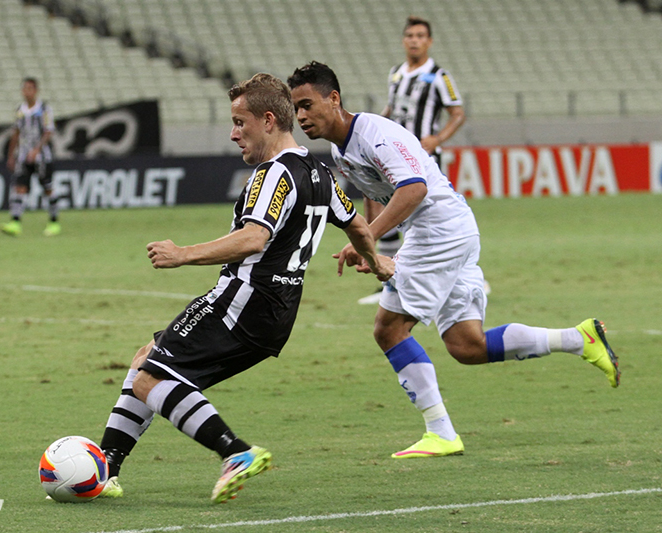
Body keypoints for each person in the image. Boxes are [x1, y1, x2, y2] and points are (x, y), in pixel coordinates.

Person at [287, 61, 619, 459]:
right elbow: (375, 192)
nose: (301, 116)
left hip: (437, 231)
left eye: (307, 104)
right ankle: (578, 338)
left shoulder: (376, 134)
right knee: (467, 345)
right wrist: (368, 239)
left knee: (388, 329)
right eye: (296, 109)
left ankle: (440, 432)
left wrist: (368, 240)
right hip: (450, 229)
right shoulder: (342, 148)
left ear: (334, 98)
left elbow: (413, 190)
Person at [96, 73, 393, 503]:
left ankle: (235, 452)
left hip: (242, 302)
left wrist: (182, 254)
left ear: (268, 120)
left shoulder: (275, 175)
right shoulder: (320, 172)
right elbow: (359, 226)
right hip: (277, 315)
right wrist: (375, 263)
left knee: (148, 379)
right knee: (148, 358)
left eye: (240, 122)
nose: (234, 134)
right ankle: (106, 466)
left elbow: (255, 237)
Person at [358, 16, 467, 305]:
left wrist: (437, 138)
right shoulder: (396, 74)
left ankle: (456, 273)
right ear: (404, 40)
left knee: (430, 219)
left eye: (420, 35)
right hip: (394, 159)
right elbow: (391, 109)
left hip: (425, 160)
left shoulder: (439, 76)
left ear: (429, 41)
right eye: (410, 35)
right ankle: (393, 278)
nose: (415, 40)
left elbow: (458, 113)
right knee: (390, 212)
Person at [0, 77, 60, 237]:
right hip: (23, 156)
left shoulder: (45, 109)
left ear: (35, 90)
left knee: (48, 188)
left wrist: (37, 150)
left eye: (29, 88)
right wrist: (11, 155)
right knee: (20, 188)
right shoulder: (20, 110)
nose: (26, 91)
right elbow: (16, 133)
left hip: (42, 157)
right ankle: (15, 223)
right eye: (24, 88)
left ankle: (54, 222)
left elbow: (48, 131)